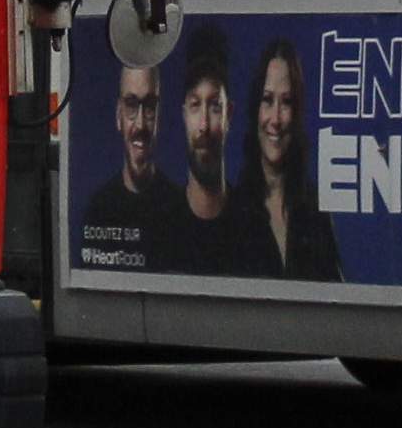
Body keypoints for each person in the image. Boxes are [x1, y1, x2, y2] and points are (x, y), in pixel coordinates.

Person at [162, 23, 276, 277]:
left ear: (228, 115)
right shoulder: (162, 229)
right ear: (184, 114)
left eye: (215, 106)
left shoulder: (254, 229)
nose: (204, 125)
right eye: (195, 105)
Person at [250, 31, 341, 282]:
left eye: (287, 102)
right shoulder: (234, 208)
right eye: (267, 100)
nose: (276, 119)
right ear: (255, 108)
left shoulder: (316, 210)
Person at [75, 45, 171, 269]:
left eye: (149, 107)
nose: (140, 124)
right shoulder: (99, 210)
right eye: (131, 105)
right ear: (118, 116)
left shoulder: (179, 208)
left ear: (159, 115)